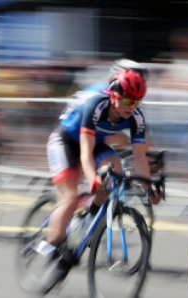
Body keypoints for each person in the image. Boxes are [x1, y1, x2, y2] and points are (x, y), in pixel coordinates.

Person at [36, 69, 154, 266]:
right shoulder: (96, 105)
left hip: (95, 142)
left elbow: (140, 156)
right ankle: (49, 246)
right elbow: (85, 152)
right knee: (71, 198)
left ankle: (91, 216)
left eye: (136, 102)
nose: (131, 107)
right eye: (127, 101)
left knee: (115, 171)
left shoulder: (136, 117)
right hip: (65, 140)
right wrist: (92, 178)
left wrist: (148, 189)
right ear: (114, 95)